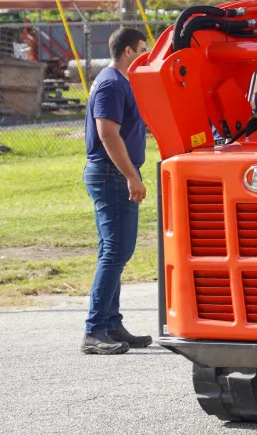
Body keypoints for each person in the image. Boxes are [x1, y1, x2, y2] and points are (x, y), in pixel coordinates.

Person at [81, 27, 152, 355]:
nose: (145, 53)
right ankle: (95, 330)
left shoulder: (120, 82)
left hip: (115, 174)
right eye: (141, 48)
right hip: (111, 175)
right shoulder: (111, 83)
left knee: (115, 252)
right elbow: (108, 134)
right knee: (115, 252)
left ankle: (111, 323)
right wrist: (130, 177)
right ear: (127, 51)